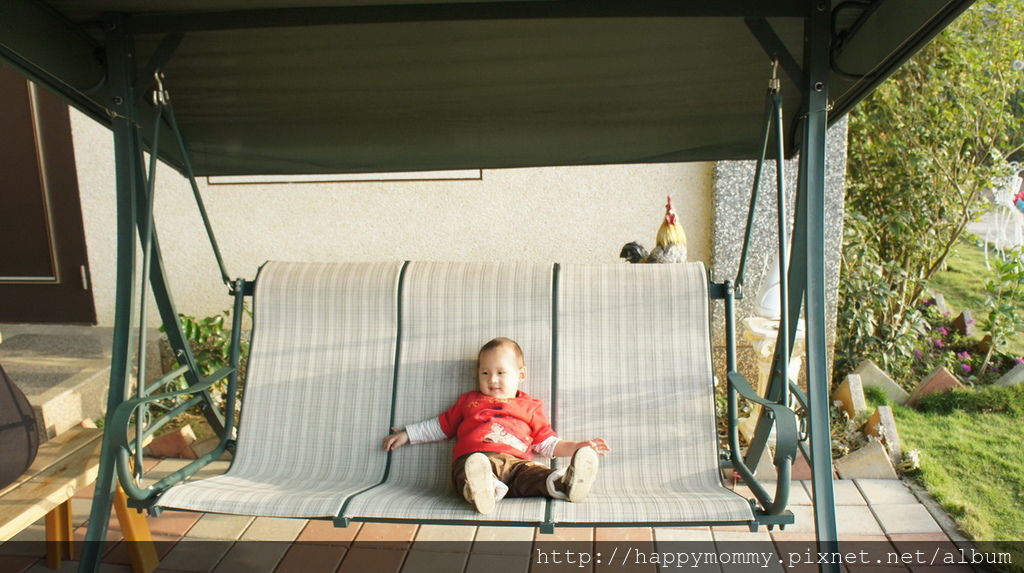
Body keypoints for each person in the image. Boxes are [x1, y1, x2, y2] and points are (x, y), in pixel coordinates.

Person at [382, 337, 610, 514]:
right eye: (485, 373)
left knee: (535, 476)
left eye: (501, 373)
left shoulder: (530, 406)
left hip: (516, 465)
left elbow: (547, 444)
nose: (492, 380)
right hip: (475, 460)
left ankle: (564, 482)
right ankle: (485, 489)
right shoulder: (469, 401)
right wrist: (408, 434)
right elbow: (441, 426)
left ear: (521, 374)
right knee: (468, 474)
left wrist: (579, 447)